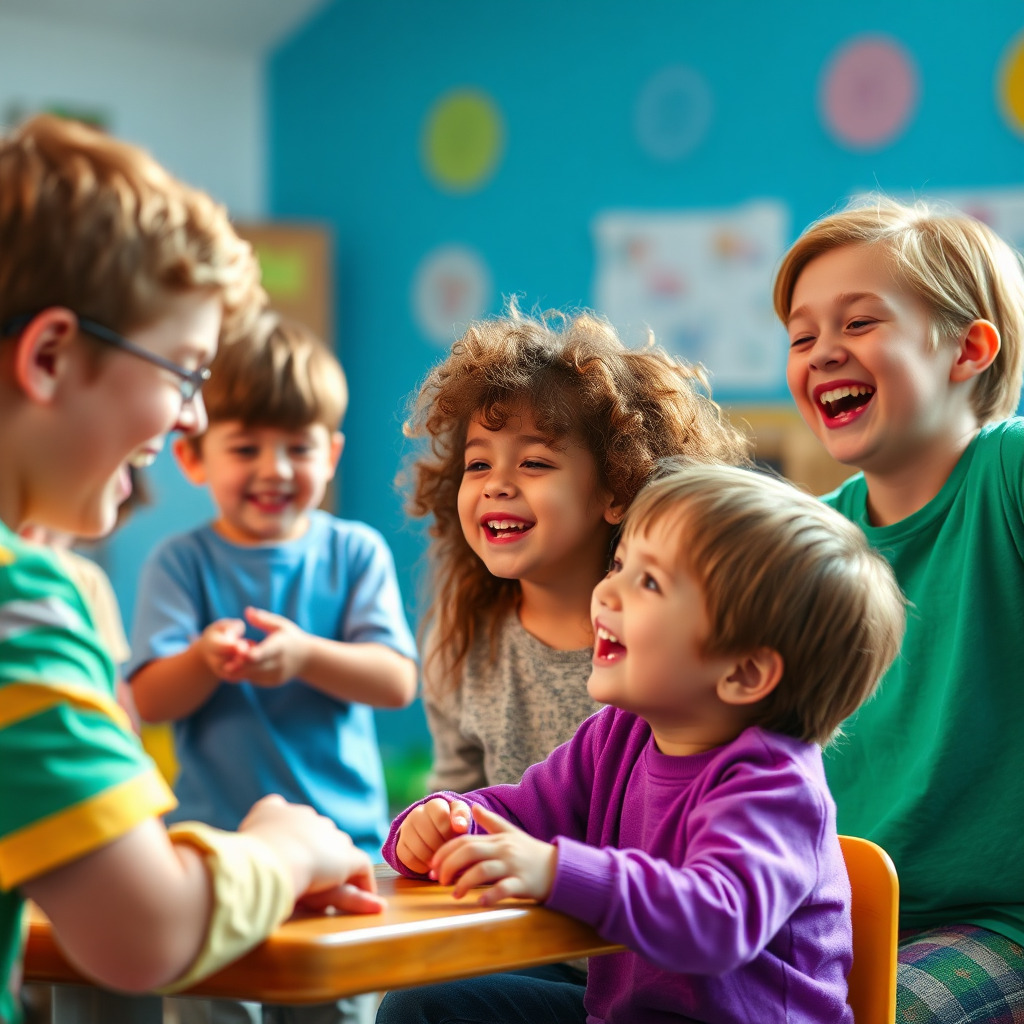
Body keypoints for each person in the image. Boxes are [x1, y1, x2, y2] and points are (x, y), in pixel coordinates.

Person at [0, 115, 383, 1024]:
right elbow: (145, 930)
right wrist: (283, 847)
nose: (189, 419)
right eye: (182, 371)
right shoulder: (21, 602)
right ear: (50, 356)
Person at [376, 463, 906, 1024]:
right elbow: (518, 813)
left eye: (649, 582)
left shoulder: (776, 785)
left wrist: (555, 871)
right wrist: (445, 823)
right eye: (621, 564)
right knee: (428, 1008)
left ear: (744, 672)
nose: (608, 590)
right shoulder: (618, 735)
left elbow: (716, 921)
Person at [776, 195, 1024, 1024]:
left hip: (993, 925)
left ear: (969, 349)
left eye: (859, 323)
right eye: (802, 336)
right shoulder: (803, 535)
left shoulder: (1007, 473)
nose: (823, 353)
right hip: (815, 914)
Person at [128, 315, 418, 1024]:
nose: (275, 469)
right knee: (211, 1011)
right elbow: (149, 698)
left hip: (342, 848)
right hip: (214, 855)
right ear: (194, 458)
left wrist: (305, 656)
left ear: (332, 454)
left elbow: (395, 680)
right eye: (246, 446)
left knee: (336, 1010)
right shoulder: (181, 562)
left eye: (298, 446)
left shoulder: (355, 552)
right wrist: (201, 661)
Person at [405, 304, 750, 798]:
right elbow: (458, 795)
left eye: (534, 462)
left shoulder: (671, 638)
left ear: (616, 488)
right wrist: (439, 823)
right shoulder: (460, 642)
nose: (496, 485)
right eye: (478, 463)